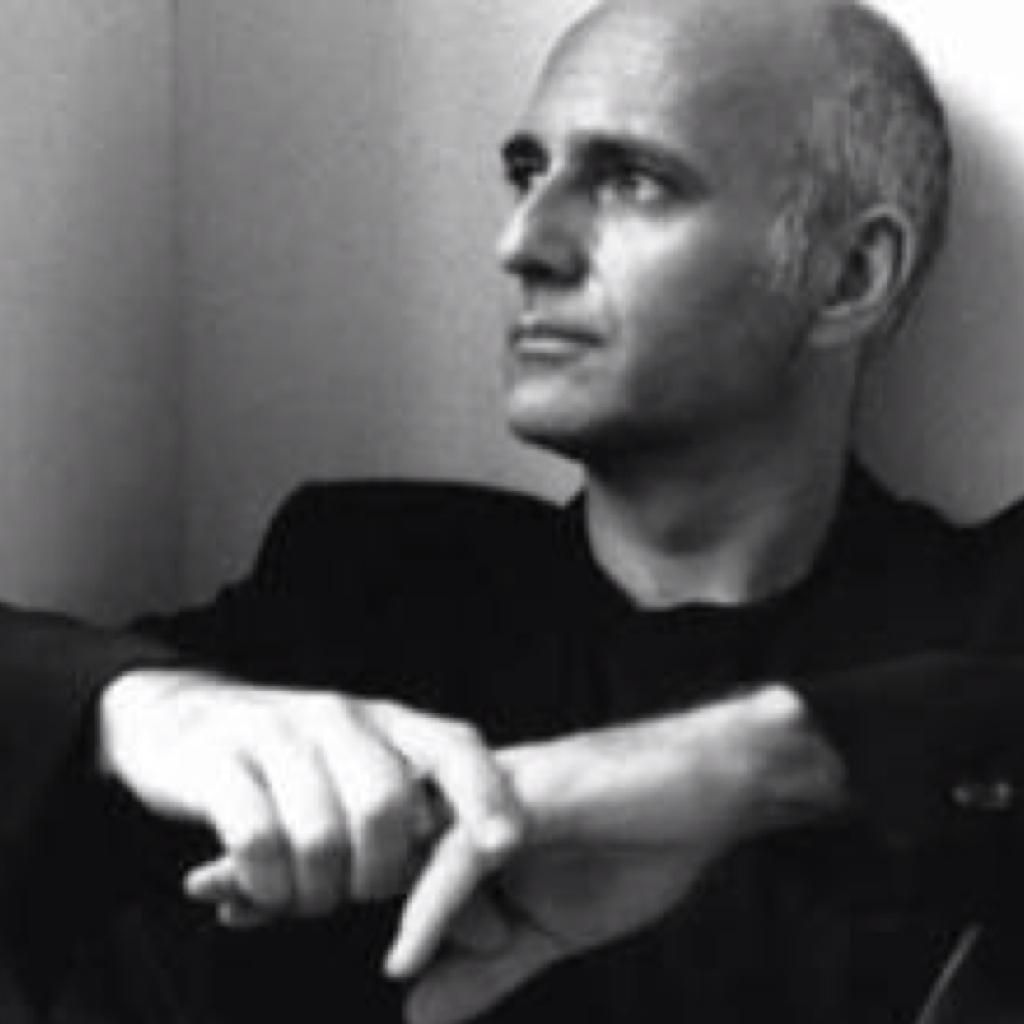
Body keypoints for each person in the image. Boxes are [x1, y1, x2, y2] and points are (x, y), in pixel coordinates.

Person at [5, 0, 1024, 1022]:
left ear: (848, 275)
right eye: (528, 172)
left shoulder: (992, 611)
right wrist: (136, 711)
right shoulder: (361, 586)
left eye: (634, 180)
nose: (523, 241)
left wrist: (754, 765)